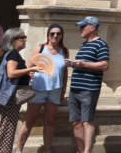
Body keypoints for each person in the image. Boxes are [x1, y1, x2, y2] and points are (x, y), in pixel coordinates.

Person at [14, 23, 68, 153]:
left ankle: (47, 149)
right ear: (48, 35)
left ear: (61, 36)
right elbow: (28, 66)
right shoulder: (40, 48)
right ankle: (19, 149)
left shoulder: (64, 51)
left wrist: (63, 90)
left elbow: (65, 73)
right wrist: (29, 73)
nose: (55, 36)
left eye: (58, 34)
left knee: (50, 122)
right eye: (52, 33)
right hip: (38, 89)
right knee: (29, 121)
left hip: (55, 90)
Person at [66, 16, 109, 153]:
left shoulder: (101, 44)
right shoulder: (84, 45)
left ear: (92, 27)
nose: (80, 29)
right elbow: (83, 65)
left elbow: (104, 64)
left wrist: (84, 64)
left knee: (87, 121)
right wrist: (72, 64)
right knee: (75, 122)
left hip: (89, 89)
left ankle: (87, 151)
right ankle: (80, 150)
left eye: (83, 26)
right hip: (75, 88)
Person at [0, 29, 39, 153]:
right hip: (11, 96)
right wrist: (31, 68)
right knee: (7, 127)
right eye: (22, 37)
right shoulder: (13, 54)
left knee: (7, 126)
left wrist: (27, 73)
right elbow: (11, 73)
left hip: (10, 96)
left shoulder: (13, 54)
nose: (25, 40)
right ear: (13, 40)